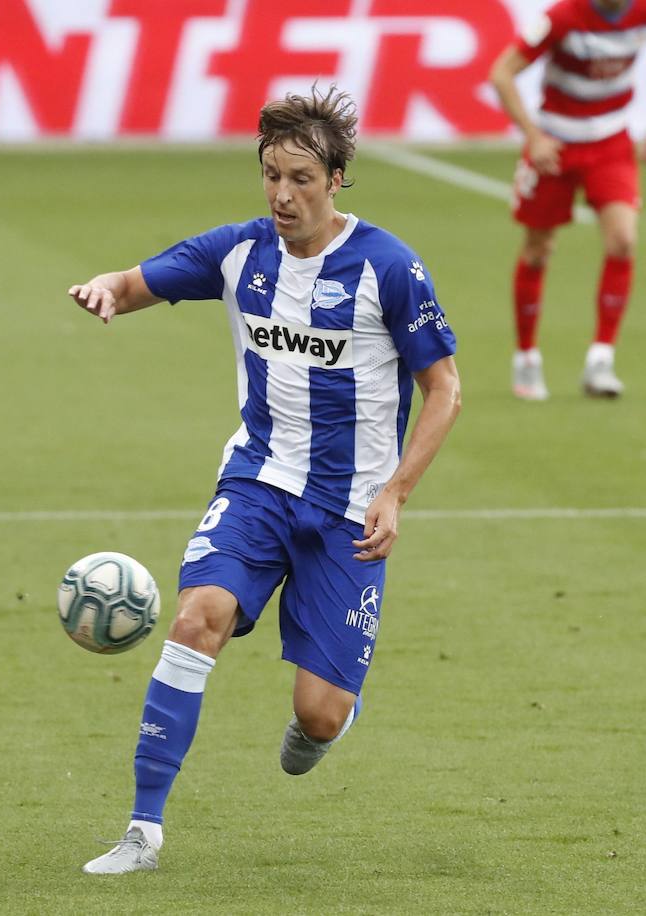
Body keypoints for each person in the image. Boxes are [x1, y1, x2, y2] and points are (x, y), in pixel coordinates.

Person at [68, 88, 462, 874]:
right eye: (271, 175)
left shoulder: (388, 267)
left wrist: (396, 493)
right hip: (258, 483)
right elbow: (141, 279)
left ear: (339, 178)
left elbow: (444, 389)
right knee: (195, 621)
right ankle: (142, 831)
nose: (283, 195)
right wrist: (109, 288)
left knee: (317, 716)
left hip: (350, 510)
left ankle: (327, 721)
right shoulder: (240, 252)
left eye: (302, 179)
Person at [488, 0, 643, 399]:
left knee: (623, 240)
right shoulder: (562, 18)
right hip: (556, 144)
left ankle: (601, 360)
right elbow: (502, 73)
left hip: (611, 143)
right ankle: (526, 358)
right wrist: (534, 136)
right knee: (538, 249)